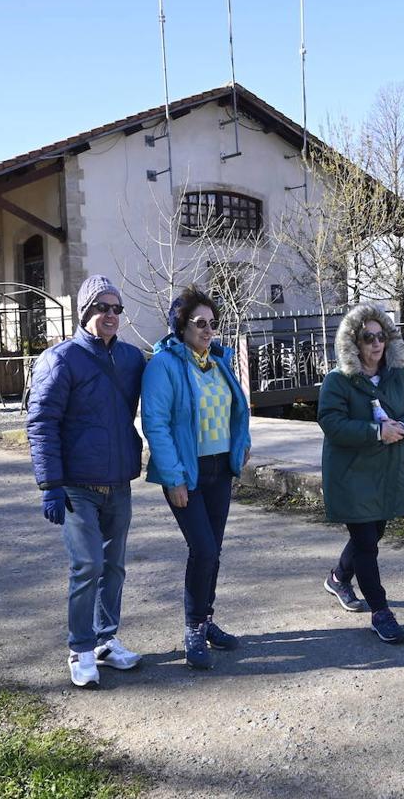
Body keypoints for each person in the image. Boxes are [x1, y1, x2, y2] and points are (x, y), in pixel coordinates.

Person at [27, 275, 146, 689]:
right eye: (102, 307)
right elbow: (41, 422)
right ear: (85, 312)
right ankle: (80, 647)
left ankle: (105, 640)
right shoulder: (60, 360)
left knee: (113, 567)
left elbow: (167, 379)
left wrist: (204, 349)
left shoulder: (131, 359)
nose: (110, 315)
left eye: (116, 308)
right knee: (87, 566)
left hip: (119, 481)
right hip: (77, 485)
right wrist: (49, 484)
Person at [141, 287, 251, 670]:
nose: (208, 330)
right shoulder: (164, 365)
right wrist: (173, 478)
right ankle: (192, 629)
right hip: (186, 473)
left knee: (214, 551)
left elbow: (238, 410)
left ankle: (205, 621)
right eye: (200, 323)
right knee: (202, 549)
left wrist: (243, 445)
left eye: (213, 324)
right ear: (181, 325)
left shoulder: (219, 362)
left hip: (220, 469)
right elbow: (156, 425)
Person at [318, 303, 404, 644]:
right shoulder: (338, 381)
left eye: (382, 336)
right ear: (354, 342)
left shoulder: (398, 376)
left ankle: (338, 577)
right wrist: (376, 432)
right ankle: (381, 611)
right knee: (366, 543)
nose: (376, 344)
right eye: (368, 337)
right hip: (352, 475)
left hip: (387, 473)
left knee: (372, 534)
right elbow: (331, 423)